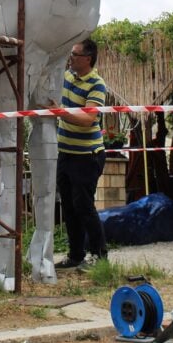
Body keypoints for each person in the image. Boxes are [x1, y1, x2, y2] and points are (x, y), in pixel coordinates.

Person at [46, 38, 108, 271]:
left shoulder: (96, 84)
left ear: (87, 59)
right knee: (69, 206)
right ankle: (75, 254)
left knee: (84, 205)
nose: (70, 57)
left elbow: (88, 119)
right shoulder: (67, 76)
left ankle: (100, 255)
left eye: (74, 54)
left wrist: (60, 112)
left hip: (87, 155)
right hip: (66, 153)